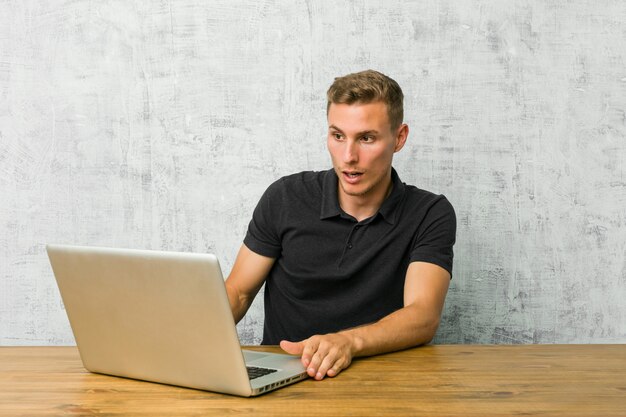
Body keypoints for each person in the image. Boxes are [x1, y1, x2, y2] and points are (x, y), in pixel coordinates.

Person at [225, 69, 456, 381]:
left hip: (379, 379)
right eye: (338, 136)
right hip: (282, 378)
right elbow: (238, 291)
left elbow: (423, 315)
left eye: (366, 138)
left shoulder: (429, 212)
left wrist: (348, 342)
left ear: (399, 138)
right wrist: (186, 338)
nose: (349, 156)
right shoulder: (285, 197)